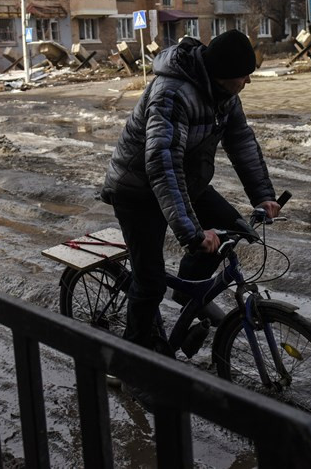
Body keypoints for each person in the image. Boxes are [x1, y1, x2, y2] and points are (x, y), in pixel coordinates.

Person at [101, 29, 281, 350]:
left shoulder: (225, 95)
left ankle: (188, 292)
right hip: (137, 192)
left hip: (186, 182)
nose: (248, 82)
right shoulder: (172, 94)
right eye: (244, 75)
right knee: (151, 281)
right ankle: (132, 361)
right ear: (224, 74)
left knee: (234, 228)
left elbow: (241, 142)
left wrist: (262, 195)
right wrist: (193, 234)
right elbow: (162, 164)